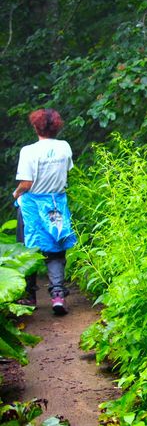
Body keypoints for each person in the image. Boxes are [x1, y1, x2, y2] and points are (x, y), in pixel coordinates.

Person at [13, 108, 77, 315]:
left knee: (29, 250)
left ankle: (29, 296)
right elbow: (67, 172)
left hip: (31, 206)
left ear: (35, 126)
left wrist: (16, 194)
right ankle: (57, 295)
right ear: (57, 127)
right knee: (56, 248)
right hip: (56, 204)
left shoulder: (28, 151)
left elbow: (27, 183)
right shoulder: (64, 147)